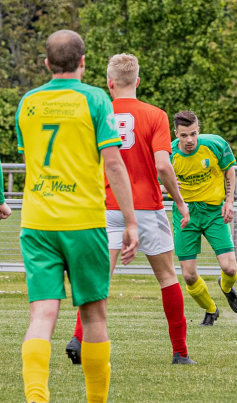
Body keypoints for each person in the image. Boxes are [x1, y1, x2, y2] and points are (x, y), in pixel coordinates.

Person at [15, 30, 139, 403]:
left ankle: (37, 398)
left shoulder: (28, 102)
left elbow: (31, 159)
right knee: (93, 316)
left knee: (41, 315)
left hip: (37, 222)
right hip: (83, 221)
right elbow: (114, 165)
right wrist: (131, 222)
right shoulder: (97, 99)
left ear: (46, 63)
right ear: (83, 62)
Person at [65, 54, 195, 365]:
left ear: (109, 83)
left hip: (104, 206)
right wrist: (178, 200)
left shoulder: (96, 112)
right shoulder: (155, 115)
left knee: (100, 280)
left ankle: (78, 337)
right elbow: (163, 164)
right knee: (167, 277)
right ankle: (180, 352)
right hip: (146, 207)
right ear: (137, 81)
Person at [170, 110, 237, 326]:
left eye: (193, 134)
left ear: (198, 130)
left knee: (230, 268)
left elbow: (229, 170)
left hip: (214, 212)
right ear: (176, 134)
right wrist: (166, 185)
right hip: (186, 215)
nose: (190, 140)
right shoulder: (168, 154)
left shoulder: (215, 144)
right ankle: (211, 309)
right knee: (189, 275)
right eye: (184, 135)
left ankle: (226, 287)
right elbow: (154, 180)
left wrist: (229, 202)